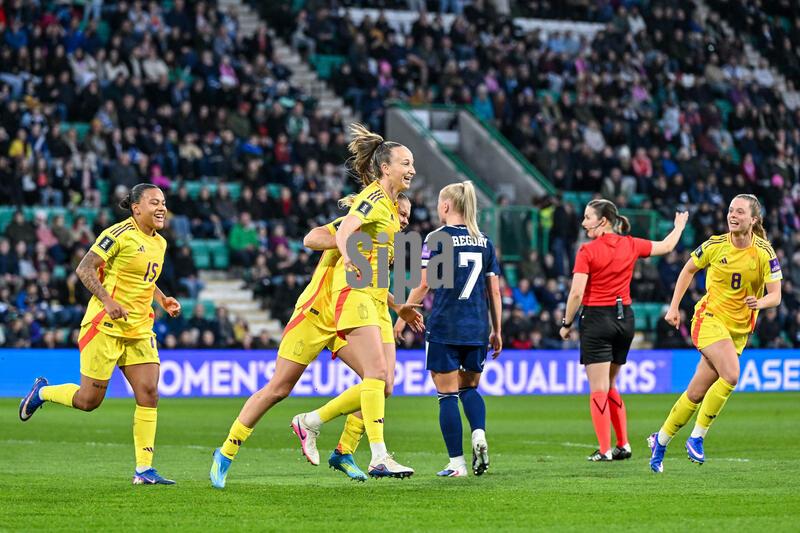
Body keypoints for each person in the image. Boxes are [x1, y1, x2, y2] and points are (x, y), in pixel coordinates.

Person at [209, 196, 420, 488]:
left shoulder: (385, 241)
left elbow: (372, 286)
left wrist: (398, 307)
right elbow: (311, 238)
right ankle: (226, 452)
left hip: (346, 318)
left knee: (380, 383)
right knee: (278, 389)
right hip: (314, 314)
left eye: (409, 215)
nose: (405, 220)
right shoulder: (357, 224)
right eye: (402, 212)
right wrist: (345, 242)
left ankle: (343, 450)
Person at [19, 183, 181, 485]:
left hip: (139, 328)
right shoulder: (117, 235)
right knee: (88, 401)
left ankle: (144, 470)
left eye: (163, 202)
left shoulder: (160, 242)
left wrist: (162, 299)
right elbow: (84, 269)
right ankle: (42, 392)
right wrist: (107, 301)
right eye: (154, 202)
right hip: (104, 326)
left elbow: (143, 280)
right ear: (136, 208)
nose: (161, 208)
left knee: (149, 393)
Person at [289, 123, 417, 479]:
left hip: (376, 302)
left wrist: (397, 305)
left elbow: (377, 274)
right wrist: (347, 253)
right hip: (353, 297)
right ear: (385, 167)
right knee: (375, 375)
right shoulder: (373, 201)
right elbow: (329, 233)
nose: (412, 169)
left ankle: (316, 424)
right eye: (406, 163)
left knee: (385, 384)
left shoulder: (389, 214)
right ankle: (378, 455)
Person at [649, 194, 782, 473]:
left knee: (696, 393)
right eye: (731, 210)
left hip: (738, 331)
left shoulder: (764, 252)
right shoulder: (714, 245)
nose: (733, 215)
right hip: (709, 319)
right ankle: (697, 437)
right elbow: (687, 270)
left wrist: (759, 303)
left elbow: (776, 296)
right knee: (731, 374)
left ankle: (659, 441)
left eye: (740, 212)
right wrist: (673, 307)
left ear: (753, 219)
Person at [559, 199, 688, 461]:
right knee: (610, 385)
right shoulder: (630, 244)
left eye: (588, 217)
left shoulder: (587, 251)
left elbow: (576, 293)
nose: (583, 223)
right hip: (625, 319)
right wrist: (679, 227)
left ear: (603, 221)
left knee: (598, 389)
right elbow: (666, 246)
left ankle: (605, 450)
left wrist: (566, 323)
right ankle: (623, 444)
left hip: (597, 319)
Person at [394, 181, 503, 477]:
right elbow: (494, 292)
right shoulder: (484, 241)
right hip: (477, 326)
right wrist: (497, 330)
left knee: (447, 395)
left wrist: (402, 317)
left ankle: (457, 464)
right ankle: (478, 432)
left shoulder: (436, 238)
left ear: (445, 206)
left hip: (445, 325)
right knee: (469, 388)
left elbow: (424, 284)